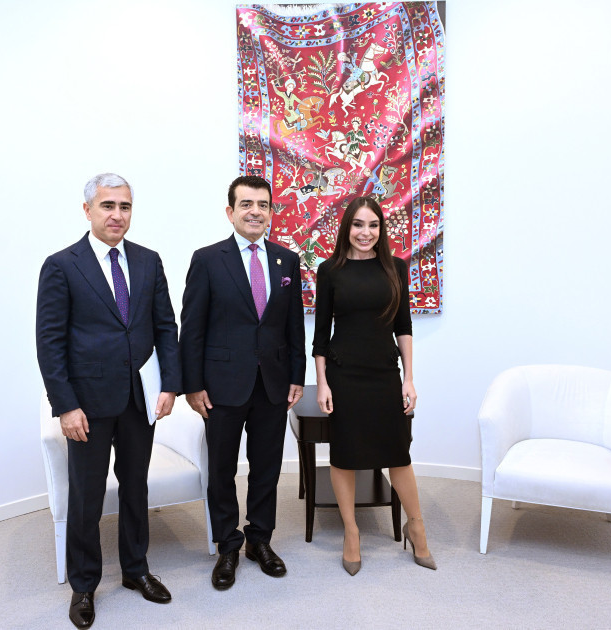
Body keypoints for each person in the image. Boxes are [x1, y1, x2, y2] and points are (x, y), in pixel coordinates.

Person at [36, 173, 181, 628]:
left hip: (139, 400)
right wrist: (65, 406)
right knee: (87, 496)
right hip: (87, 405)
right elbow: (50, 343)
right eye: (108, 205)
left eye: (125, 206)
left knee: (136, 487)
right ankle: (84, 585)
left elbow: (165, 327)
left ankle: (136, 569)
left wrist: (170, 385)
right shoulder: (62, 265)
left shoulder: (149, 261)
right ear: (88, 210)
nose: (117, 215)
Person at [180, 175, 306, 591]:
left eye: (263, 205)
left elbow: (293, 325)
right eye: (247, 204)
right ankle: (228, 546)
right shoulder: (207, 259)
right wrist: (192, 384)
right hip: (221, 385)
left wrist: (297, 375)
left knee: (267, 467)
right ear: (230, 211)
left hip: (273, 383)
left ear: (271, 212)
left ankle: (260, 540)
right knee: (221, 469)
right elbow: (192, 328)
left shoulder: (286, 260)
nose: (256, 211)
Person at [312, 196, 436, 575]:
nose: (365, 233)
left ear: (381, 230)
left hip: (384, 374)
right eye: (358, 224)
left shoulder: (395, 268)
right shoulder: (330, 270)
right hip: (344, 375)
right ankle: (351, 533)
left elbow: (404, 326)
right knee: (344, 455)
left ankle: (416, 527)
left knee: (398, 454)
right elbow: (320, 335)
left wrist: (409, 378)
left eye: (373, 225)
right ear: (346, 228)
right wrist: (322, 384)